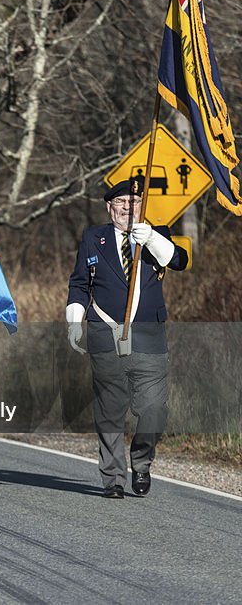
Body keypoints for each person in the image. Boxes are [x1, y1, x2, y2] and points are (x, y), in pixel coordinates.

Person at [66, 177, 188, 499]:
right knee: (110, 408)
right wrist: (74, 322)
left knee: (153, 410)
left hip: (148, 336)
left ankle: (142, 462)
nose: (128, 208)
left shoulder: (156, 234)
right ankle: (113, 479)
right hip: (105, 333)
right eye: (121, 203)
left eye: (134, 203)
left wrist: (151, 240)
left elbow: (177, 261)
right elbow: (79, 284)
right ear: (110, 208)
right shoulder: (94, 238)